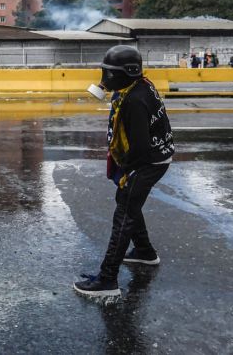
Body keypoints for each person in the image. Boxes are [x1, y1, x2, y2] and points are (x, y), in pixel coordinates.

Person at [74, 45, 174, 298]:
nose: (104, 79)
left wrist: (127, 171)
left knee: (124, 215)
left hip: (147, 162)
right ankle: (144, 252)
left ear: (128, 72)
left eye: (109, 73)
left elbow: (139, 147)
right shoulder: (137, 87)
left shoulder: (134, 100)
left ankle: (108, 279)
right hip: (155, 156)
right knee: (127, 201)